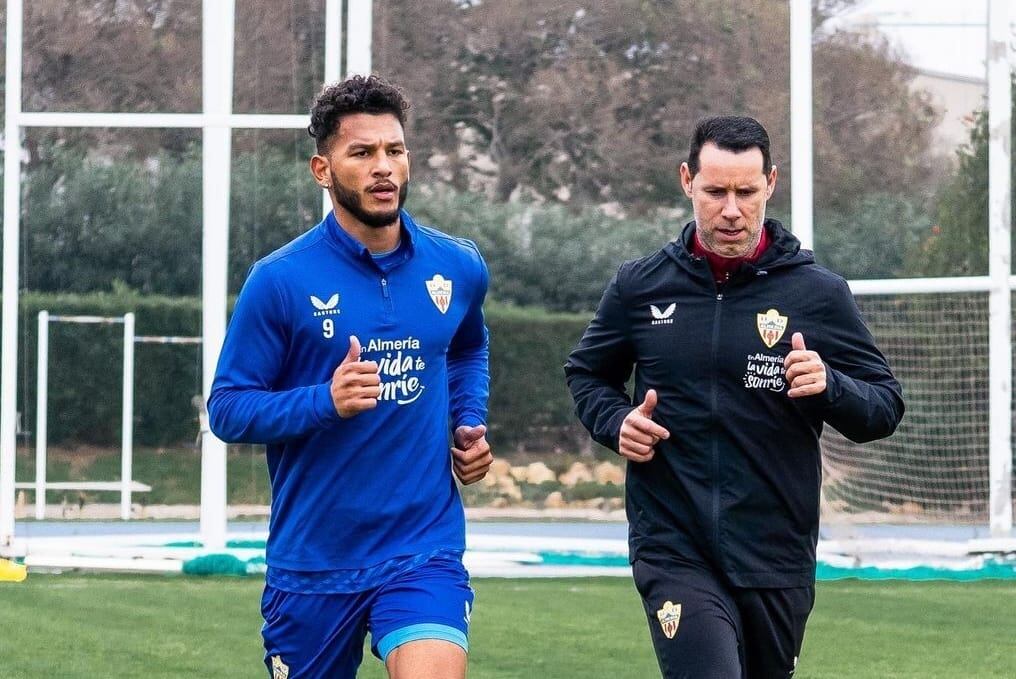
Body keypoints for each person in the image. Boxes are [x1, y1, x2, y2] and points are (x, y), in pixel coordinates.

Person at [564, 116, 904, 679]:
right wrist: (615, 420)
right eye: (715, 191)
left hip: (775, 554)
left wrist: (830, 385)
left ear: (770, 183)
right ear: (686, 181)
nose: (731, 210)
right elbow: (586, 373)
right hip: (672, 544)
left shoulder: (818, 293)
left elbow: (884, 407)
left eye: (746, 192)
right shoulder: (640, 286)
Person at [208, 74, 493, 679]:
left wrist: (467, 421)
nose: (383, 167)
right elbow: (228, 409)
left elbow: (468, 346)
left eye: (394, 150)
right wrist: (325, 401)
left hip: (422, 548)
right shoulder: (279, 280)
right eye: (362, 153)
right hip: (313, 561)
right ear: (323, 169)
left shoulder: (458, 265)